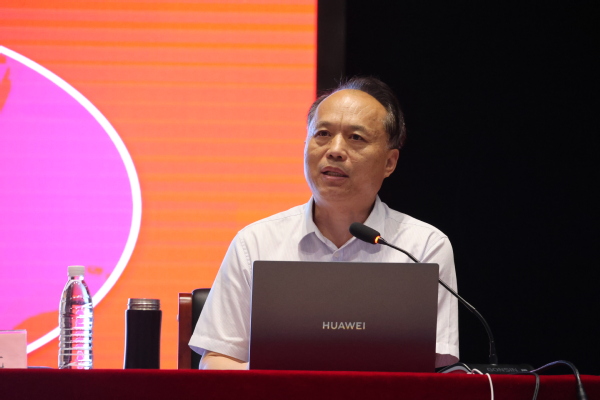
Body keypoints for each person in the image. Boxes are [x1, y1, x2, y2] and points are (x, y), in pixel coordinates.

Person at [189, 77, 459, 369]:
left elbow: (436, 371)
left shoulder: (423, 247)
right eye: (323, 134)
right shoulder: (255, 243)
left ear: (389, 162)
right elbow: (215, 362)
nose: (335, 150)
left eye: (356, 137)